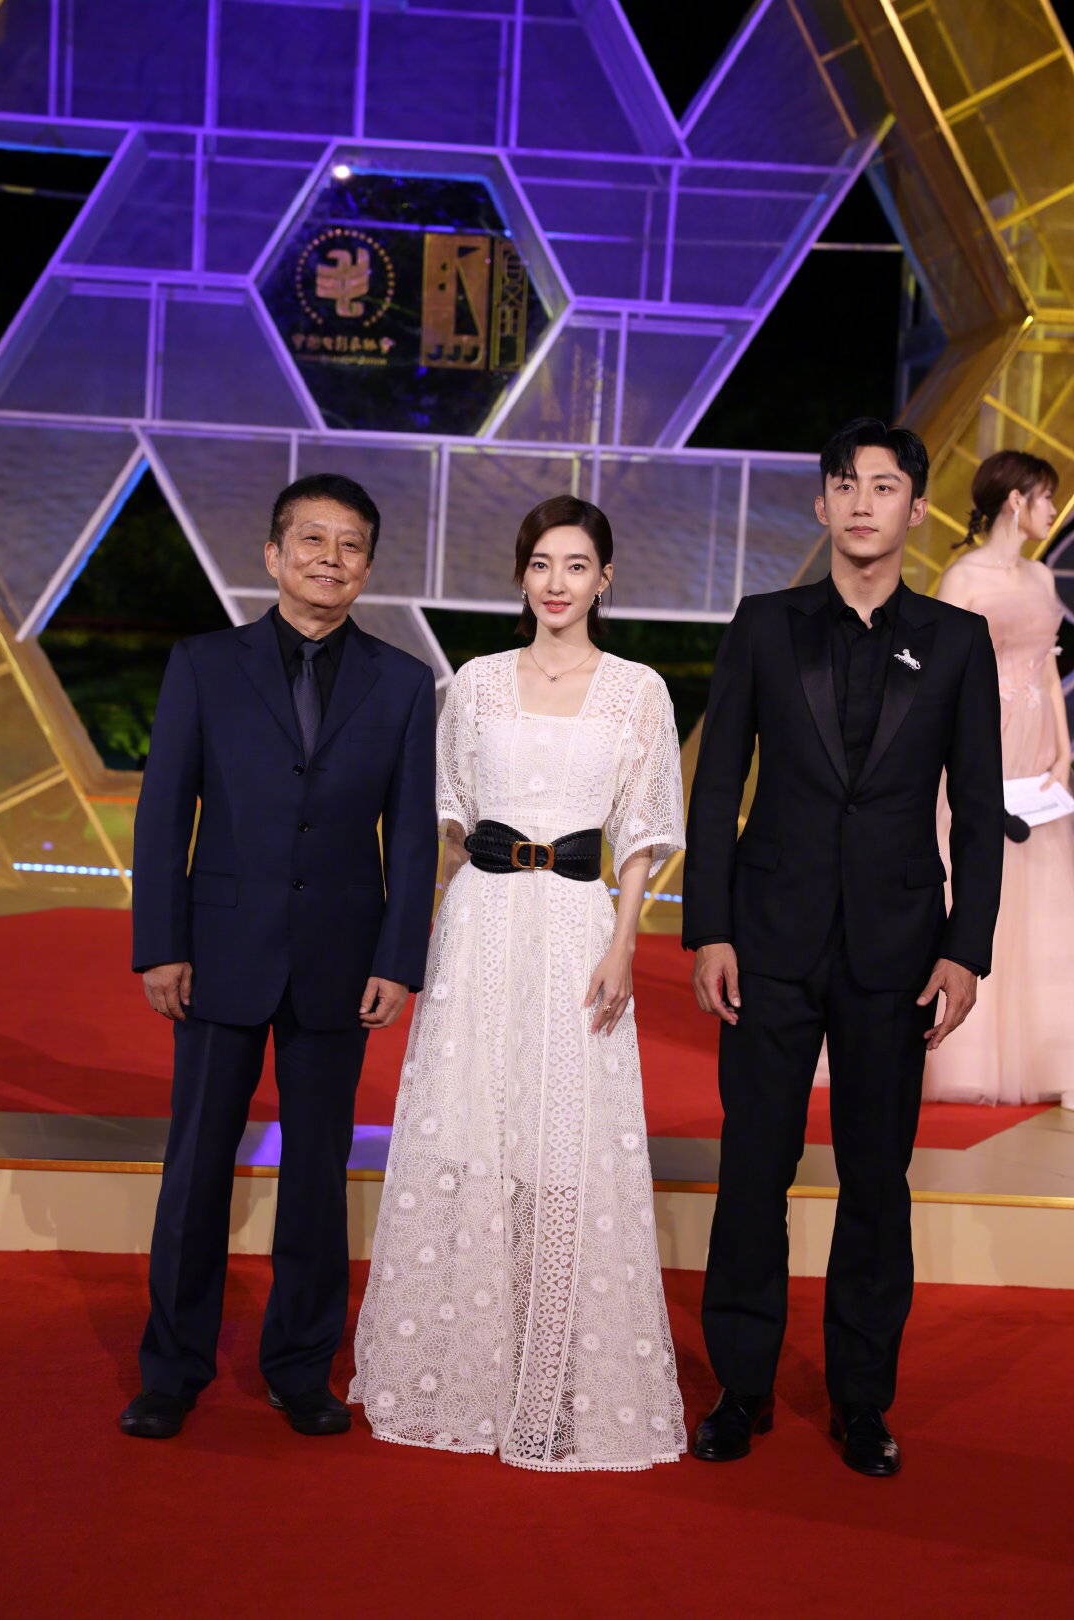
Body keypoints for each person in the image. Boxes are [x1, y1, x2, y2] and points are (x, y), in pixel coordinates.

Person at [683, 418, 1004, 1477]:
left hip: (899, 950)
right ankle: (741, 1387)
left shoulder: (957, 641)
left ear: (918, 507)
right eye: (846, 486)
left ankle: (864, 1400)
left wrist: (965, 949)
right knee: (753, 1169)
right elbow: (717, 785)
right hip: (768, 941)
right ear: (821, 505)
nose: (865, 503)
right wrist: (711, 927)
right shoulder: (763, 625)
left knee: (876, 1178)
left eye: (886, 486)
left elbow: (979, 807)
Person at [349, 495, 688, 1471]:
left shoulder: (638, 691)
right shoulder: (477, 684)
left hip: (580, 926)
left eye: (576, 565)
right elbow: (449, 823)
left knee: (566, 1135)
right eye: (541, 564)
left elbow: (643, 836)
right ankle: (462, 1366)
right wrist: (445, 926)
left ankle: (558, 1377)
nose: (556, 583)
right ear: (521, 576)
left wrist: (624, 943)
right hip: (482, 926)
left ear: (605, 578)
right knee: (469, 1126)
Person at [121, 473, 437, 1440]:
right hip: (218, 954)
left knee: (316, 1177)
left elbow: (411, 836)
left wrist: (398, 959)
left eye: (350, 545)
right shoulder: (204, 665)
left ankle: (300, 1368)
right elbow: (164, 813)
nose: (329, 559)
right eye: (312, 540)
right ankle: (172, 1369)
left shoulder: (402, 682)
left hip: (340, 961)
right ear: (273, 554)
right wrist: (161, 946)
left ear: (367, 568)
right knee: (195, 1169)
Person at [924, 450, 1073, 1108]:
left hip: (1036, 751)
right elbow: (939, 674)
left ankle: (1047, 1050)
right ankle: (967, 1048)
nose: (1053, 510)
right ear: (1016, 500)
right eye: (1046, 498)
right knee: (975, 873)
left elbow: (1046, 666)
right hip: (982, 741)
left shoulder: (1040, 576)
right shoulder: (964, 577)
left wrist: (1063, 752)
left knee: (1041, 886)